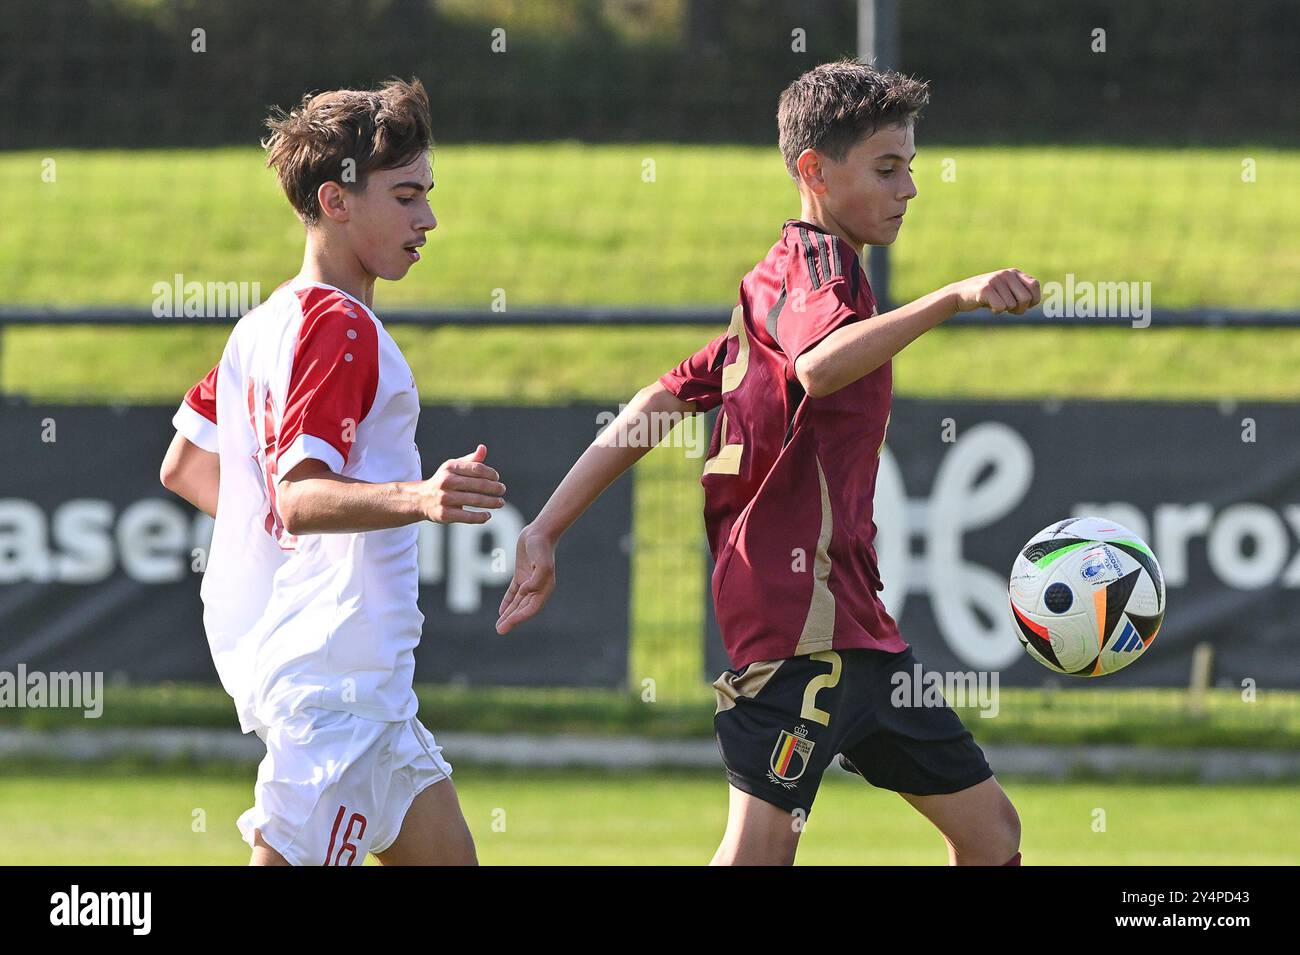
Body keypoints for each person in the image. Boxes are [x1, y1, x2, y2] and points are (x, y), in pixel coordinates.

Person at [496, 60, 1037, 866]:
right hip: (798, 623)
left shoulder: (774, 287)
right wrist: (952, 298)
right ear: (813, 172)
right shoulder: (818, 269)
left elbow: (660, 402)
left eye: (911, 168)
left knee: (992, 834)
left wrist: (545, 528)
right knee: (756, 854)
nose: (909, 189)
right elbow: (820, 365)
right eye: (888, 168)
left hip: (858, 626)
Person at [160, 78, 506, 866]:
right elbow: (298, 494)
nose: (429, 218)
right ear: (337, 200)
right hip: (336, 695)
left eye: (429, 195)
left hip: (369, 693)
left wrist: (293, 539)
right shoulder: (338, 324)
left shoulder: (265, 321)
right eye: (407, 195)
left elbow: (186, 464)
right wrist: (419, 496)